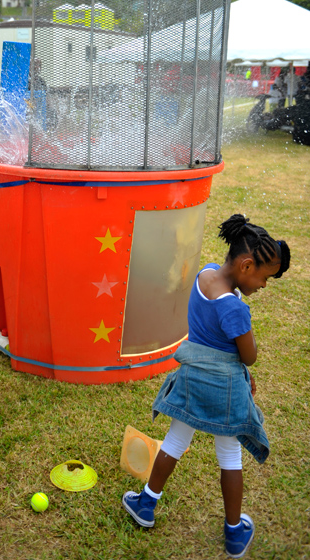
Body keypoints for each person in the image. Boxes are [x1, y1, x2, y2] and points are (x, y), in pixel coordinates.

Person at [122, 214, 291, 558]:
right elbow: (249, 357)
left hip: (192, 379)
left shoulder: (205, 275)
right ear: (246, 266)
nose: (264, 285)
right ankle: (233, 532)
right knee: (229, 455)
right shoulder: (234, 308)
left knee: (175, 441)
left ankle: (146, 504)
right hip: (223, 390)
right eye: (264, 277)